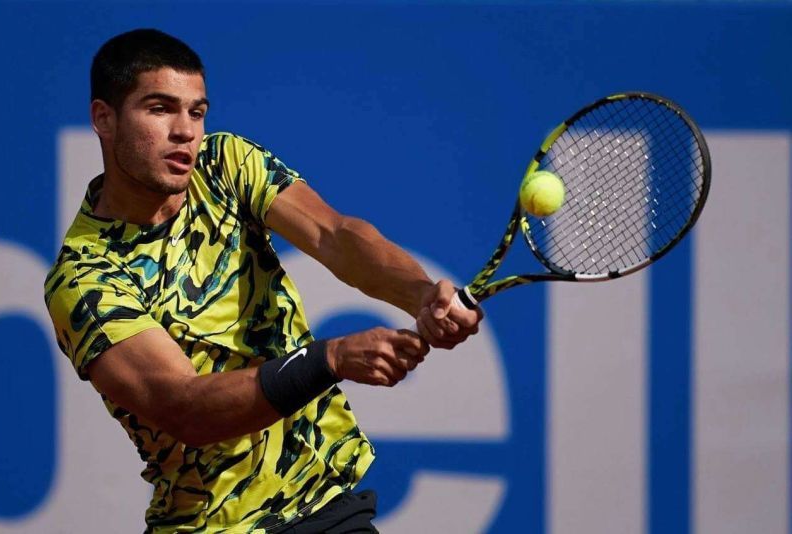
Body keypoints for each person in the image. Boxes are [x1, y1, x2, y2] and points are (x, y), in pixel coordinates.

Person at [43, 28, 482, 533]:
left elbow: (335, 236)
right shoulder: (84, 277)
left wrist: (420, 294)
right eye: (159, 109)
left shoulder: (223, 165)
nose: (185, 131)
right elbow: (186, 408)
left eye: (197, 112)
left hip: (324, 507)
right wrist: (330, 359)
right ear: (104, 118)